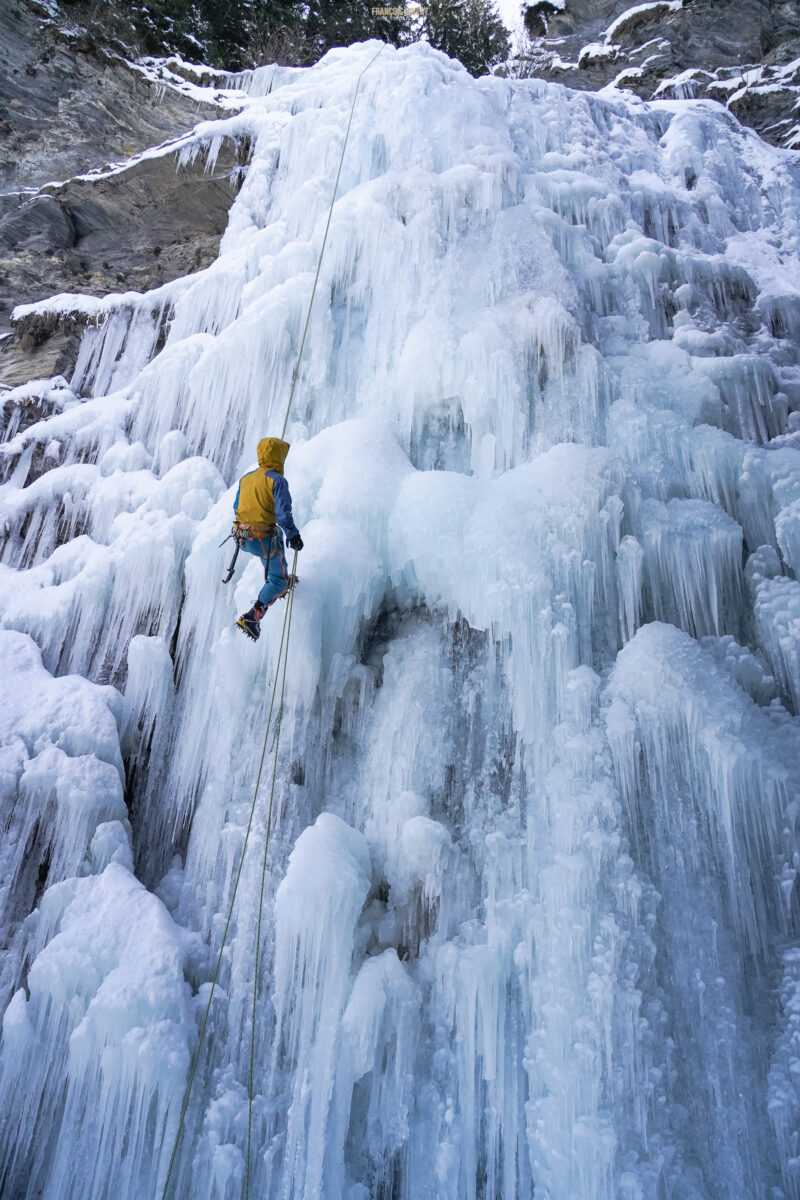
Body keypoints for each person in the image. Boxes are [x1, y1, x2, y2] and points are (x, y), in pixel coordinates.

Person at [233, 437, 303, 641]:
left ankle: (275, 583)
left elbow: (237, 506)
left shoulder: (246, 479)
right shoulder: (277, 481)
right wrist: (294, 534)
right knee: (280, 579)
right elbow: (283, 515)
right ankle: (252, 617)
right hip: (263, 539)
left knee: (273, 549)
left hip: (243, 538)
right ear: (279, 457)